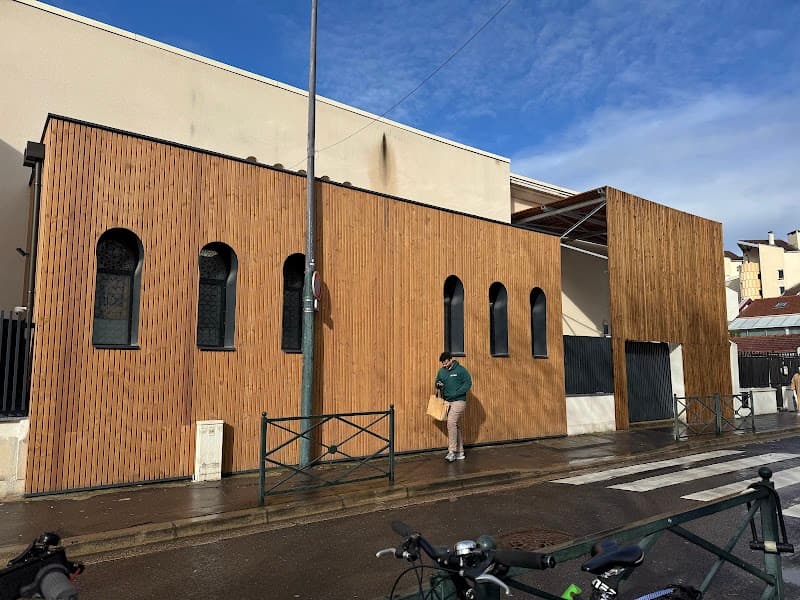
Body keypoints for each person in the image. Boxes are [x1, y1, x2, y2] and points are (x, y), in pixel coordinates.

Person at [435, 351, 472, 462]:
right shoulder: (441, 371)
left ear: (451, 359)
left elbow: (468, 383)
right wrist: (438, 384)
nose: (444, 365)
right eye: (443, 363)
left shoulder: (461, 370)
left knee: (451, 422)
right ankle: (460, 452)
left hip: (459, 401)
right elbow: (437, 381)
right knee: (455, 426)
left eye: (446, 362)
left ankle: (452, 452)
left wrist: (457, 392)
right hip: (447, 402)